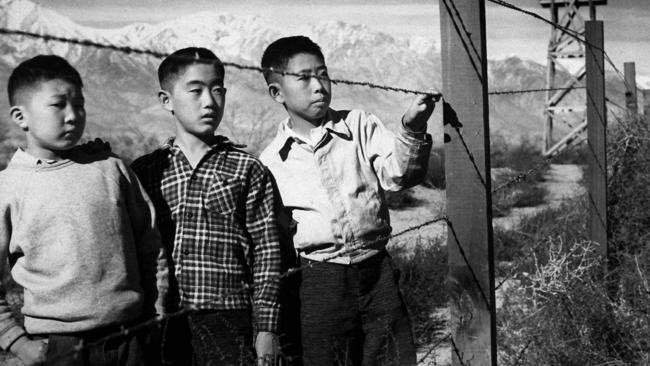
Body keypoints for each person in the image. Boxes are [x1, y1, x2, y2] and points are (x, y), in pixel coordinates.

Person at [259, 36, 437, 366]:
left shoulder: (358, 125)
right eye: (304, 77)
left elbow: (399, 175)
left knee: (392, 357)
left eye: (323, 74)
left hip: (377, 268)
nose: (318, 86)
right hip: (319, 279)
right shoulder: (271, 163)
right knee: (330, 358)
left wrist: (412, 129)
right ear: (277, 92)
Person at [0, 55, 168, 366]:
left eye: (79, 104)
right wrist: (17, 341)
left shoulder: (110, 168)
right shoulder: (8, 188)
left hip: (131, 336)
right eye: (58, 104)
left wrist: (155, 311)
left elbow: (149, 242)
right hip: (59, 346)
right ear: (21, 117)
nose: (73, 115)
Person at [131, 47, 282, 366]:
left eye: (217, 90)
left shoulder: (247, 169)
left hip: (229, 316)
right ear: (166, 100)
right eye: (196, 90)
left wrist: (266, 328)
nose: (210, 101)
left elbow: (267, 252)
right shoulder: (146, 172)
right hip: (163, 318)